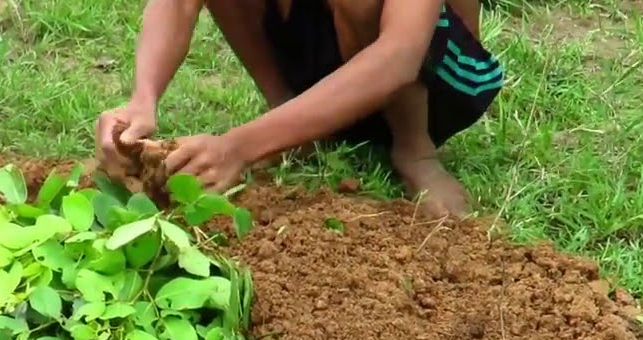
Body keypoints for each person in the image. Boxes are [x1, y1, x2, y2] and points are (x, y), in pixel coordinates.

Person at [95, 0, 502, 216]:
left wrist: (239, 146)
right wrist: (143, 97)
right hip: (328, 69)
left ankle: (415, 149)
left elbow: (399, 55)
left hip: (439, 77)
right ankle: (288, 117)